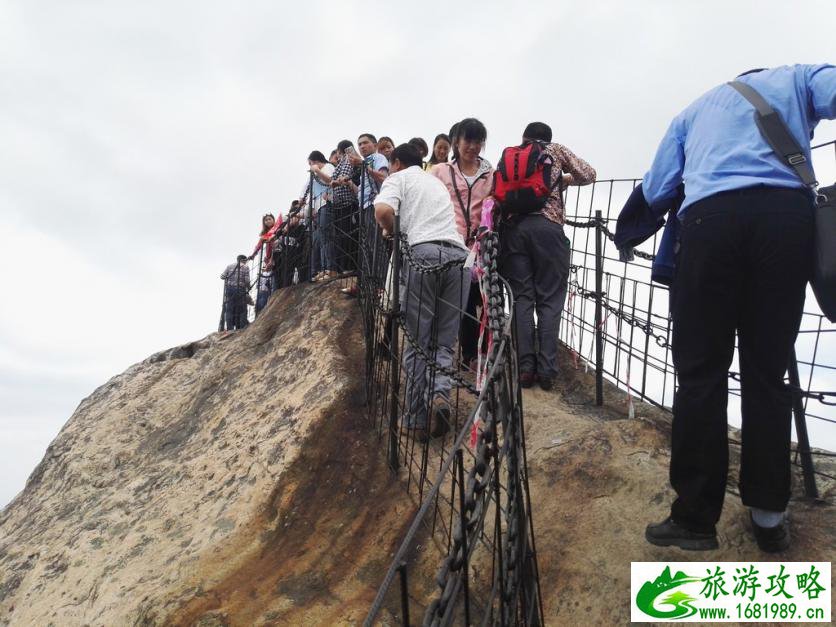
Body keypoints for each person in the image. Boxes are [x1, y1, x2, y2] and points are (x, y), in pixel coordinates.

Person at [640, 64, 836, 553]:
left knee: (701, 371)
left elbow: (658, 187)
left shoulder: (694, 108)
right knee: (768, 370)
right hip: (784, 221)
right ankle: (768, 515)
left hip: (710, 223)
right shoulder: (798, 77)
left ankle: (694, 519)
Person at [374, 143, 469, 442]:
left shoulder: (398, 178)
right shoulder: (436, 182)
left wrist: (391, 231)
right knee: (443, 342)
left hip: (422, 254)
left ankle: (415, 418)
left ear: (397, 163)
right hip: (459, 259)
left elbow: (382, 210)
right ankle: (439, 397)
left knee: (417, 341)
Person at [498, 121, 596, 391]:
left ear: (524, 137)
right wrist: (564, 179)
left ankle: (525, 369)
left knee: (521, 299)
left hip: (514, 230)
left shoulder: (511, 155)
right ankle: (547, 370)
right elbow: (589, 174)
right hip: (549, 229)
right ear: (548, 138)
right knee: (550, 301)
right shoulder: (555, 150)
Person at [432, 118, 494, 371]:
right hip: (452, 243)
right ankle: (470, 354)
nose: (473, 146)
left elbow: (494, 204)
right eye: (468, 140)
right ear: (456, 142)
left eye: (478, 141)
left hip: (483, 245)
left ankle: (484, 351)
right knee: (464, 300)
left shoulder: (490, 174)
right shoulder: (439, 172)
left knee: (488, 300)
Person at [345, 133, 389, 294]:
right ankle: (365, 284)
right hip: (363, 206)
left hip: (373, 204)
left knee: (376, 245)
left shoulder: (378, 158)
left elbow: (384, 177)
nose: (362, 146)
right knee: (365, 246)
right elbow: (362, 189)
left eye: (365, 143)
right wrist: (350, 183)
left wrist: (363, 165)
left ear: (375, 144)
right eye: (359, 144)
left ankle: (383, 285)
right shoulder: (366, 163)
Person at [301, 150, 337, 282]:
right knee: (322, 239)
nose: (310, 166)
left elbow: (330, 181)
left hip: (327, 204)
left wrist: (317, 171)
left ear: (316, 161)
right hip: (319, 207)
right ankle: (324, 268)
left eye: (310, 163)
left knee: (326, 237)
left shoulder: (328, 167)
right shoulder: (315, 174)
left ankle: (331, 268)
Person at [329, 140, 361, 277]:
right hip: (341, 203)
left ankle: (349, 267)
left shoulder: (347, 159)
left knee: (347, 235)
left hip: (347, 202)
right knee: (342, 236)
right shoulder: (343, 161)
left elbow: (344, 177)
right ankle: (345, 267)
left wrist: (336, 182)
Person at [220, 255, 251, 331]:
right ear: (244, 260)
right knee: (242, 309)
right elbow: (247, 280)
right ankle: (241, 327)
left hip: (229, 289)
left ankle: (229, 328)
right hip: (240, 289)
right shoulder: (245, 267)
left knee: (229, 309)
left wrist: (229, 278)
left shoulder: (230, 266)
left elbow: (222, 276)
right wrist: (249, 287)